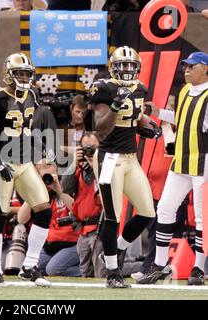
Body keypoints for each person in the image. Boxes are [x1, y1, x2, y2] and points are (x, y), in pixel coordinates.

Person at [0, 52, 53, 287]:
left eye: (26, 73)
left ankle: (29, 266)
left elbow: (28, 130)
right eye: (18, 73)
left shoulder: (31, 95)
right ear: (8, 74)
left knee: (44, 210)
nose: (22, 77)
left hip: (24, 162)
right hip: (3, 162)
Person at [90, 46, 162, 288]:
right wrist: (114, 106)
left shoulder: (139, 89)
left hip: (131, 159)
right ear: (113, 67)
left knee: (147, 212)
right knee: (113, 217)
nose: (127, 70)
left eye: (131, 66)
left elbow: (136, 117)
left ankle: (116, 250)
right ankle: (112, 273)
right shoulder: (104, 88)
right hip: (110, 158)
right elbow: (99, 127)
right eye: (122, 66)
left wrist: (149, 127)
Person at [137, 52, 208, 286]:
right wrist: (157, 112)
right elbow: (181, 117)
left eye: (191, 66)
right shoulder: (185, 91)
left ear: (205, 69)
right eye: (184, 66)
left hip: (204, 162)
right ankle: (158, 265)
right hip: (181, 160)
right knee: (165, 209)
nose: (185, 70)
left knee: (201, 217)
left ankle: (198, 267)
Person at [63, 131, 105, 278]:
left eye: (93, 147)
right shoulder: (79, 168)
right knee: (84, 274)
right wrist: (74, 162)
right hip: (83, 231)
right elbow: (65, 189)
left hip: (100, 228)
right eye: (86, 148)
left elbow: (107, 188)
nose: (89, 151)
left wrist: (96, 165)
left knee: (101, 272)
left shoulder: (106, 166)